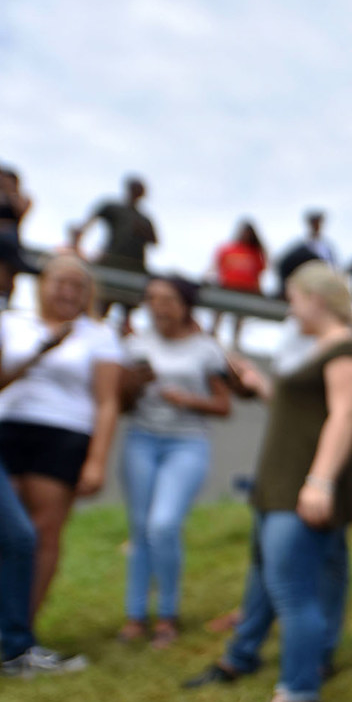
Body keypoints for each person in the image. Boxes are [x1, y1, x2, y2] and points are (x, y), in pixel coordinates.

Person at [184, 262, 352, 702]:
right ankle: (287, 695)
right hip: (282, 483)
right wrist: (265, 388)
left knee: (293, 592)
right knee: (290, 584)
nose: (290, 307)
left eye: (294, 298)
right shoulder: (319, 349)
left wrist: (321, 481)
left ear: (316, 298)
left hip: (301, 487)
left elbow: (346, 415)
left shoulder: (347, 348)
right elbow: (308, 413)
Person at [0, 254, 123, 661]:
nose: (68, 292)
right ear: (42, 285)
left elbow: (107, 402)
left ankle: (20, 626)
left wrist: (96, 460)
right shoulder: (11, 322)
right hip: (4, 428)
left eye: (78, 285)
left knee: (41, 531)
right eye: (60, 282)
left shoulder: (99, 335)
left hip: (63, 434)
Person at [0, 230, 86, 676]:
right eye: (7, 273)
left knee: (18, 538)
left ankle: (17, 651)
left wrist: (38, 354)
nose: (10, 284)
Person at [117, 275, 231, 647]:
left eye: (167, 299)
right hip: (140, 440)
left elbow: (223, 404)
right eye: (151, 298)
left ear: (185, 306)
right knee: (139, 528)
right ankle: (135, 616)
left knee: (163, 525)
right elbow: (120, 402)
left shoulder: (206, 349)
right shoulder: (135, 345)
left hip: (187, 443)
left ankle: (167, 615)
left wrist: (186, 399)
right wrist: (132, 384)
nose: (158, 306)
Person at [78, 175, 157, 327]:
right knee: (100, 305)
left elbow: (154, 242)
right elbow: (90, 221)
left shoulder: (144, 219)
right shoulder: (114, 208)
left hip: (134, 267)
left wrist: (143, 232)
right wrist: (80, 242)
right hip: (112, 262)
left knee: (127, 313)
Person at [209, 219, 266, 350]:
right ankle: (212, 338)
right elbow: (216, 267)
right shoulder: (228, 249)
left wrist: (258, 290)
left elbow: (259, 273)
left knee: (238, 318)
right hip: (226, 287)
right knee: (218, 313)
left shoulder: (255, 253)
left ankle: (235, 344)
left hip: (245, 290)